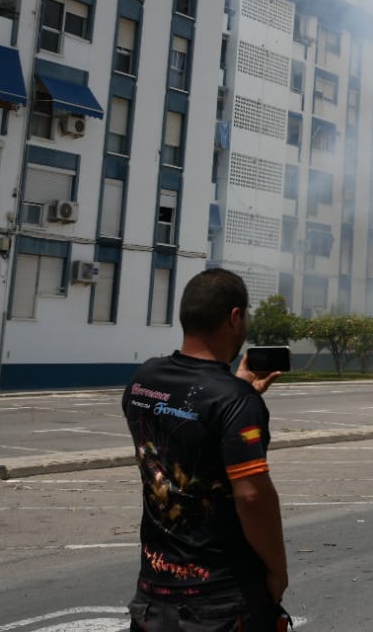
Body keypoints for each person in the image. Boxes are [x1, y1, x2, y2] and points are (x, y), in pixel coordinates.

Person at [122, 268, 289, 631]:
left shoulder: (143, 381)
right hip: (220, 604)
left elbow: (187, 422)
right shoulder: (235, 401)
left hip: (151, 598)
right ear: (234, 317)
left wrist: (234, 388)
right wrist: (278, 570)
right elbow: (251, 496)